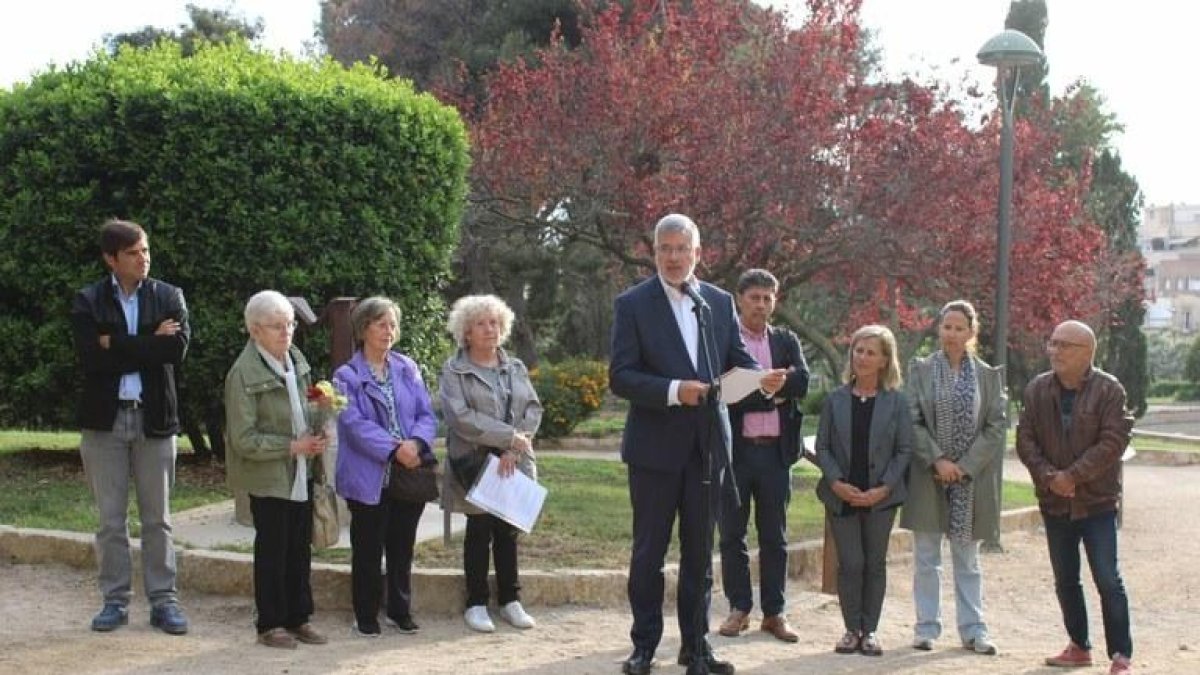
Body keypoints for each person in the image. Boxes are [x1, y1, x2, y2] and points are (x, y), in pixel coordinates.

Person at [609, 213, 786, 675]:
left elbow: (738, 365)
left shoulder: (718, 301)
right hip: (654, 451)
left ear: (697, 254)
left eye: (680, 249)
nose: (672, 257)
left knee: (699, 555)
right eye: (664, 248)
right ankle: (644, 647)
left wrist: (759, 380)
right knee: (648, 554)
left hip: (709, 449)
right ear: (654, 252)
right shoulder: (633, 304)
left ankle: (696, 649)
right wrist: (673, 391)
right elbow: (621, 376)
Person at [69, 219, 191, 635]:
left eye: (146, 250)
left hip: (153, 419)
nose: (144, 258)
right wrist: (146, 341)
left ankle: (164, 601)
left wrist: (115, 341)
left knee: (158, 518)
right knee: (110, 520)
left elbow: (174, 349)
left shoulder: (168, 295)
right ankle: (115, 601)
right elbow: (91, 358)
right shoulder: (88, 301)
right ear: (111, 259)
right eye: (134, 253)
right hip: (105, 422)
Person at [1016, 320, 1134, 675]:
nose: (1054, 351)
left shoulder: (1110, 390)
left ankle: (1120, 655)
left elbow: (1113, 442)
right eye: (1052, 343)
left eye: (1064, 345)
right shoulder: (1037, 389)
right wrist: (1052, 478)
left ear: (1087, 353)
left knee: (1107, 578)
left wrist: (1073, 476)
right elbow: (1025, 440)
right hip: (1055, 503)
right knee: (1065, 578)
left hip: (1096, 502)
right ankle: (1079, 646)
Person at [224, 290, 329, 649]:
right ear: (255, 331)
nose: (286, 333)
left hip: (300, 470)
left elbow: (302, 409)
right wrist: (291, 447)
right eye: (276, 326)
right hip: (269, 476)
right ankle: (270, 623)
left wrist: (321, 419)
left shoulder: (295, 358)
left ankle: (299, 617)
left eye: (290, 324)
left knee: (299, 547)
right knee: (273, 549)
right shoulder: (243, 373)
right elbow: (243, 438)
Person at [902, 300, 1006, 655]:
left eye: (959, 327)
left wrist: (964, 466)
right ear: (939, 329)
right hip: (930, 476)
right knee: (927, 556)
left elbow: (995, 426)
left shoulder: (988, 376)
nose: (952, 333)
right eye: (947, 326)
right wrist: (938, 460)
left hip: (969, 481)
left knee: (967, 559)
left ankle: (974, 629)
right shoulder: (921, 370)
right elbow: (911, 419)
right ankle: (926, 627)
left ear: (971, 333)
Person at [333, 297, 437, 637]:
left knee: (402, 547)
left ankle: (399, 610)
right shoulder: (346, 376)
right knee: (367, 549)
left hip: (409, 473)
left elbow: (426, 414)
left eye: (392, 324)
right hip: (369, 475)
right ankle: (365, 614)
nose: (388, 331)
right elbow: (354, 424)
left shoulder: (408, 368)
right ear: (363, 329)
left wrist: (417, 444)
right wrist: (395, 450)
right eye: (381, 324)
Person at [439, 294, 543, 634]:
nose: (489, 329)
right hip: (474, 462)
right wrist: (508, 438)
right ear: (466, 332)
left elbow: (533, 409)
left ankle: (511, 600)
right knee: (478, 531)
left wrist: (515, 447)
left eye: (495, 323)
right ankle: (476, 603)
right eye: (481, 324)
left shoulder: (514, 367)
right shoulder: (454, 370)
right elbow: (461, 418)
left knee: (507, 531)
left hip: (510, 462)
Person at [717, 268, 809, 643]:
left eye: (767, 298)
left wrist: (761, 388)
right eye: (754, 297)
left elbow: (802, 381)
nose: (761, 304)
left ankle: (775, 613)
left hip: (775, 456)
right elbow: (724, 393)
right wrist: (770, 389)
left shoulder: (786, 340)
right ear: (739, 299)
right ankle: (739, 608)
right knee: (732, 535)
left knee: (775, 537)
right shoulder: (724, 339)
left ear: (776, 301)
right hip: (735, 455)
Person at [814, 324, 913, 657]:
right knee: (850, 563)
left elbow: (904, 451)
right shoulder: (834, 399)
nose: (863, 357)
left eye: (871, 352)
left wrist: (883, 489)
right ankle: (850, 629)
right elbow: (823, 446)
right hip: (841, 495)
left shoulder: (896, 402)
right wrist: (836, 482)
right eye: (858, 350)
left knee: (874, 563)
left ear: (885, 360)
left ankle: (869, 631)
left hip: (880, 499)